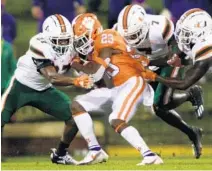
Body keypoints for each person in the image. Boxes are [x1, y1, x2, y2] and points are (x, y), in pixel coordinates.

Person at [70, 13, 163, 165]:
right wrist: (80, 66)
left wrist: (76, 64)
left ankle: (150, 156)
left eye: (83, 39)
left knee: (116, 119)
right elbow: (94, 74)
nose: (81, 44)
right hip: (115, 88)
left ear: (94, 32)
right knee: (77, 105)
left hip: (132, 81)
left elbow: (98, 72)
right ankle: (95, 151)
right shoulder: (92, 51)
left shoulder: (106, 36)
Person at [1, 14, 93, 165]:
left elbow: (83, 62)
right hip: (21, 86)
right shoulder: (38, 44)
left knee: (75, 117)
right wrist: (76, 81)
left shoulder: (73, 44)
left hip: (43, 90)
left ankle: (60, 155)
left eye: (66, 39)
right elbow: (53, 77)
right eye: (59, 40)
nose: (63, 44)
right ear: (48, 37)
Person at [117, 4, 203, 158]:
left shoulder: (161, 26)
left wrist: (166, 61)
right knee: (159, 109)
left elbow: (178, 51)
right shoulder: (118, 34)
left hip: (167, 61)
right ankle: (192, 132)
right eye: (128, 36)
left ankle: (191, 93)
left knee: (161, 103)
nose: (132, 39)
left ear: (144, 25)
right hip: (148, 64)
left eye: (135, 34)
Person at [155, 9, 212, 97]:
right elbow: (173, 56)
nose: (180, 35)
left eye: (186, 33)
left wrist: (154, 76)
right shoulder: (201, 40)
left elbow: (184, 84)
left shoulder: (205, 50)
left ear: (201, 34)